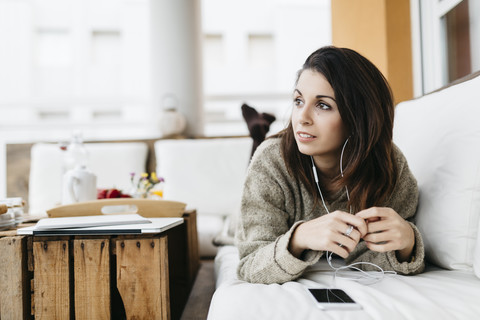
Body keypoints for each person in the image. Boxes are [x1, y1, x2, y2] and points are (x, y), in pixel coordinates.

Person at [235, 46, 425, 284]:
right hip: (255, 200)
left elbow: (373, 257)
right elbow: (251, 264)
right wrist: (298, 238)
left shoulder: (389, 166)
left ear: (358, 119)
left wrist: (407, 244)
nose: (302, 117)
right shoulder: (271, 161)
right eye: (298, 100)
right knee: (258, 157)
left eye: (322, 105)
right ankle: (259, 128)